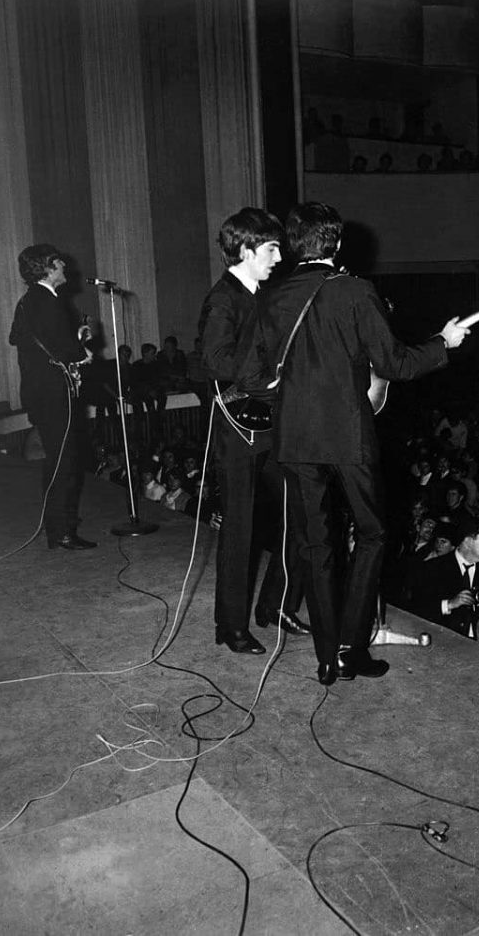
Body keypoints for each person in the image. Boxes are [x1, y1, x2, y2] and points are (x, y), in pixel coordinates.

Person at [252, 202, 468, 685]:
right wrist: (444, 343)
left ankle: (327, 659)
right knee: (371, 534)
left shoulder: (271, 296)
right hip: (348, 434)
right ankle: (353, 647)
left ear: (292, 246)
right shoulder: (354, 290)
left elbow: (259, 369)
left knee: (318, 544)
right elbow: (395, 365)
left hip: (294, 436)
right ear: (338, 244)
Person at [198, 207, 307, 655]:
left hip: (270, 425)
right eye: (271, 248)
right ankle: (231, 625)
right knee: (239, 530)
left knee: (299, 516)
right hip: (238, 429)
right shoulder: (224, 299)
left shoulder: (261, 295)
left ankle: (275, 605)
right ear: (245, 251)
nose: (278, 257)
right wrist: (267, 380)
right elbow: (214, 361)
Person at [8, 244, 96, 550]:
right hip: (53, 392)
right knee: (64, 461)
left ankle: (58, 523)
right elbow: (62, 348)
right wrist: (80, 352)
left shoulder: (29, 300)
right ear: (47, 267)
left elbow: (19, 337)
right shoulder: (48, 300)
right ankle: (61, 532)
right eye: (59, 262)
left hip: (39, 392)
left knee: (58, 459)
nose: (64, 266)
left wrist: (71, 340)